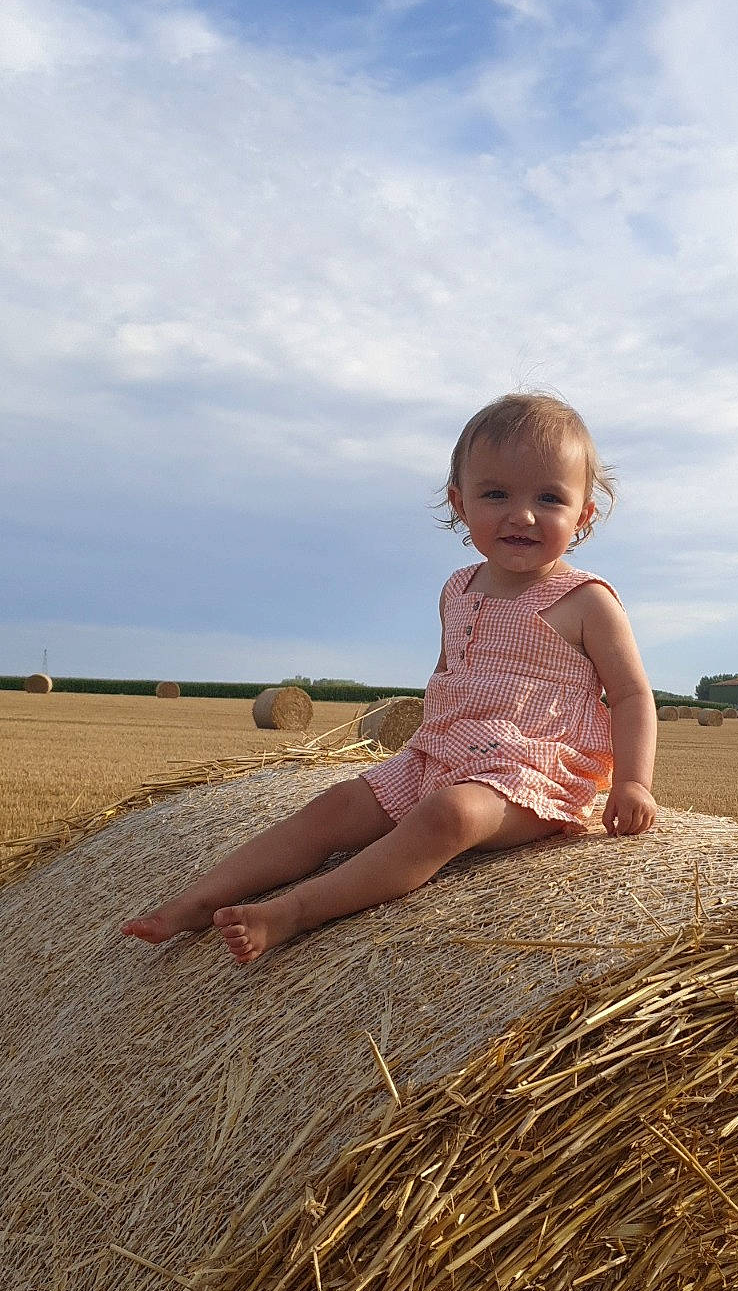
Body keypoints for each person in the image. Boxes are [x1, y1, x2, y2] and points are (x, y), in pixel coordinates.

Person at [122, 393, 658, 963]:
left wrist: (632, 782)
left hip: (534, 773)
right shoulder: (458, 589)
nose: (521, 514)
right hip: (439, 755)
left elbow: (630, 695)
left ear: (583, 515)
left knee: (447, 817)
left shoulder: (587, 601)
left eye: (549, 498)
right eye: (495, 493)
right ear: (459, 502)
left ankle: (295, 911)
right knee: (332, 809)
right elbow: (450, 675)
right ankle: (199, 898)